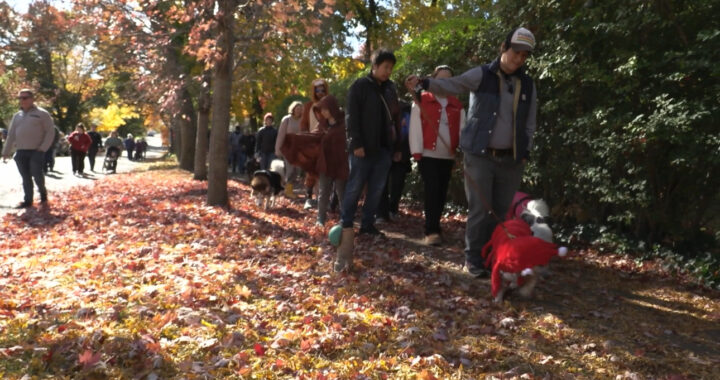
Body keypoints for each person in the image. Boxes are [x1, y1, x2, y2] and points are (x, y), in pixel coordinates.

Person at [405, 27, 538, 277]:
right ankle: (473, 259)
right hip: (479, 155)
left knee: (500, 211)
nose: (520, 58)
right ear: (504, 48)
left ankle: (492, 257)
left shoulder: (527, 85)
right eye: (516, 52)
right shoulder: (482, 75)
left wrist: (525, 150)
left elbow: (530, 122)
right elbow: (453, 85)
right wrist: (425, 83)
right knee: (480, 208)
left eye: (525, 55)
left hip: (511, 159)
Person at [335, 49, 402, 272]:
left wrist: (397, 146)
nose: (388, 71)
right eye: (385, 67)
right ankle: (346, 223)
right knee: (355, 186)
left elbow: (396, 118)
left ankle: (367, 224)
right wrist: (356, 143)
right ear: (375, 66)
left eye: (391, 68)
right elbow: (351, 116)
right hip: (363, 147)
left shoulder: (391, 89)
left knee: (377, 189)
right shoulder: (360, 86)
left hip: (384, 148)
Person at [408, 65, 467, 246]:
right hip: (427, 154)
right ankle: (431, 230)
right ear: (432, 80)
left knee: (441, 192)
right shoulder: (422, 100)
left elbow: (462, 129)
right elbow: (415, 128)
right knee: (432, 190)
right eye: (440, 79)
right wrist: (416, 152)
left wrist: (461, 152)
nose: (444, 83)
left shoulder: (457, 104)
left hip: (447, 156)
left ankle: (436, 226)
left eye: (448, 80)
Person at [1, 89, 55, 208]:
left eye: (25, 98)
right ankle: (28, 201)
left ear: (32, 99)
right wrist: (5, 152)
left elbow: (50, 132)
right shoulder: (17, 116)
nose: (22, 100)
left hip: (36, 151)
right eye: (20, 98)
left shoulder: (42, 114)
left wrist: (43, 148)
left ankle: (43, 195)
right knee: (25, 177)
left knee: (37, 175)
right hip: (21, 152)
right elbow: (11, 135)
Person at [314, 95, 349, 226]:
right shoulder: (322, 124)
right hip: (326, 163)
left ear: (332, 108)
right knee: (324, 192)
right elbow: (315, 138)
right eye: (321, 109)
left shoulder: (344, 122)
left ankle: (345, 219)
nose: (323, 112)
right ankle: (320, 219)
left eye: (325, 109)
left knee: (342, 192)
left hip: (341, 162)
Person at [376, 100, 412, 224]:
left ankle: (393, 209)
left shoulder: (407, 112)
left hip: (401, 155)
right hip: (384, 152)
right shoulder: (379, 109)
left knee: (397, 184)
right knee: (381, 183)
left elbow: (409, 134)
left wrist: (402, 152)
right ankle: (381, 213)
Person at [300, 79, 330, 209]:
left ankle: (323, 199)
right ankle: (308, 197)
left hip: (327, 143)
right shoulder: (308, 106)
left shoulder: (330, 105)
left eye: (322, 89)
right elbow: (303, 124)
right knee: (311, 171)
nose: (320, 92)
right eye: (317, 90)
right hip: (312, 143)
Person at [275, 101, 304, 198]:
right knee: (290, 169)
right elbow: (281, 135)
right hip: (288, 148)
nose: (299, 111)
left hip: (298, 149)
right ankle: (288, 191)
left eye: (301, 109)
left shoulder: (303, 120)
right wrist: (278, 149)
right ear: (293, 109)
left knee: (297, 170)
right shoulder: (286, 119)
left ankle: (288, 188)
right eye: (297, 108)